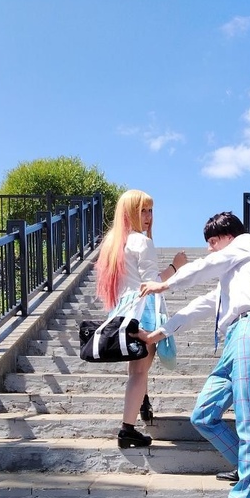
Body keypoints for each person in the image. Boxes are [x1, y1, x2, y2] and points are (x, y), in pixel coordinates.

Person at [138, 211, 250, 498]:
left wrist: (165, 284)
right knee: (203, 414)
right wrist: (158, 334)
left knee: (247, 414)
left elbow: (207, 265)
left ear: (229, 236)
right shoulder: (236, 276)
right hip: (235, 340)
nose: (210, 249)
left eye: (213, 241)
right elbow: (199, 306)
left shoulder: (247, 244)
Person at [95, 189, 187, 448]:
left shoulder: (113, 243)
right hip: (143, 310)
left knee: (136, 368)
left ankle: (142, 403)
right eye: (142, 211)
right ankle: (127, 429)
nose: (148, 217)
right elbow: (152, 283)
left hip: (123, 311)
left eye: (150, 210)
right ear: (129, 213)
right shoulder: (142, 242)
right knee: (139, 371)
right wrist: (176, 266)